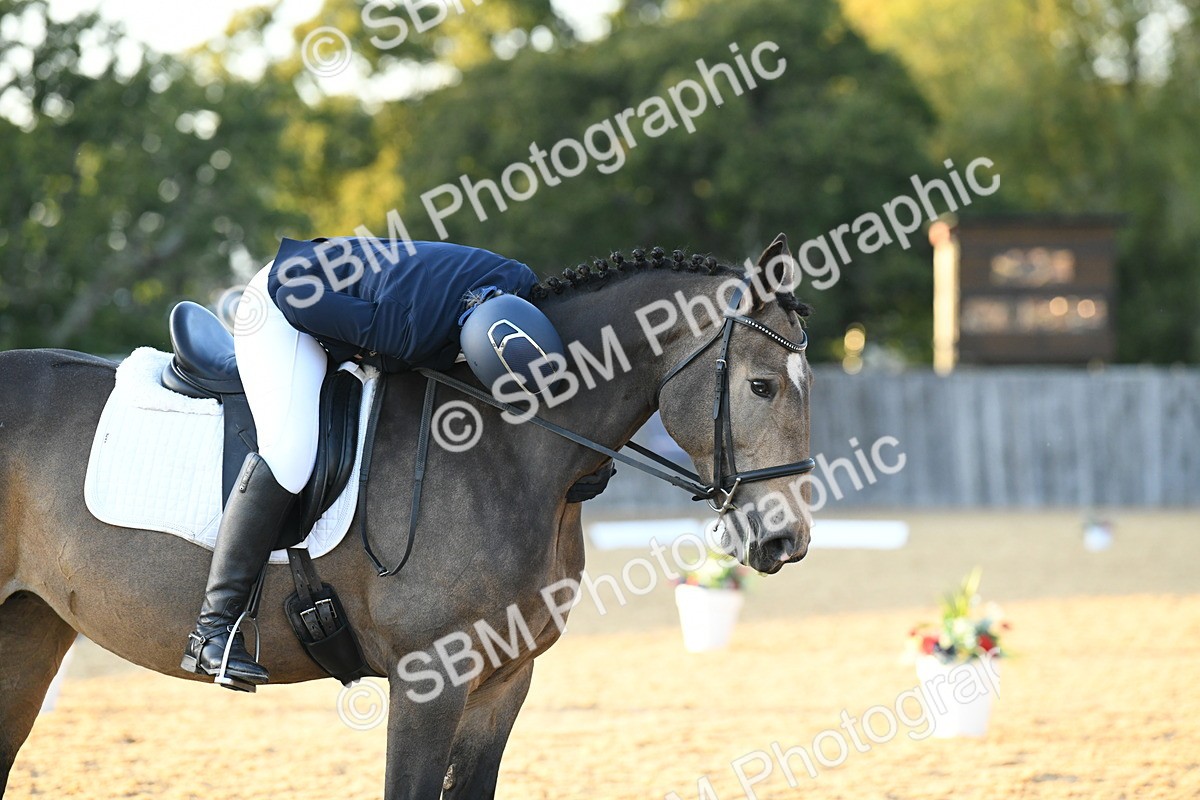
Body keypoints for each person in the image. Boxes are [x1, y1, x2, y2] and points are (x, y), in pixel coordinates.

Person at [181, 237, 540, 690]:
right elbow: (312, 311)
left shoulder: (522, 285)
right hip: (287, 300)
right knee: (290, 452)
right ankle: (212, 630)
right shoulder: (408, 330)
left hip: (362, 287)